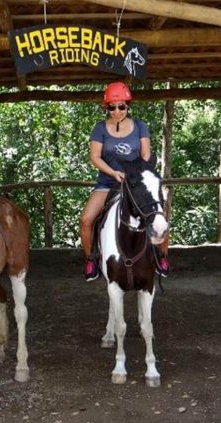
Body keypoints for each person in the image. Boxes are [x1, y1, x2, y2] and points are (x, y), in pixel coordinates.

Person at [79, 81, 170, 281]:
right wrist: (113, 173)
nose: (117, 111)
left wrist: (134, 175)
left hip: (136, 182)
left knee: (160, 215)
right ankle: (91, 258)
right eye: (112, 107)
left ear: (127, 106)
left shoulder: (140, 126)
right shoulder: (100, 129)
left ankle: (161, 255)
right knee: (86, 220)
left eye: (121, 106)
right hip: (108, 183)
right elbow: (95, 156)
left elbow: (146, 154)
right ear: (107, 107)